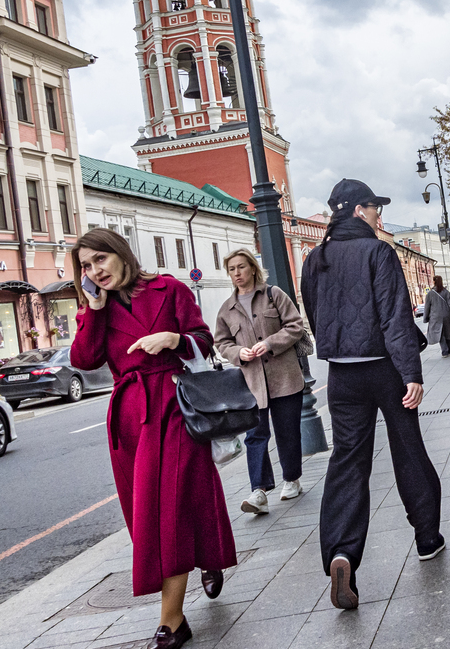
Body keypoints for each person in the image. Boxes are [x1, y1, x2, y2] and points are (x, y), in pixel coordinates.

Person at [70, 228, 236, 649]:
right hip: (131, 418)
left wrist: (175, 339)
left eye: (100, 259)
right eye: (86, 266)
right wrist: (93, 308)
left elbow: (203, 339)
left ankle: (172, 621)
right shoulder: (96, 308)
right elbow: (84, 359)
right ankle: (204, 556)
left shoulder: (170, 288)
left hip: (177, 405)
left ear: (120, 253)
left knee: (170, 502)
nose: (95, 270)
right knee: (152, 507)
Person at [299, 179, 444, 611]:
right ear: (359, 211)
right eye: (375, 208)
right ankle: (427, 537)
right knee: (408, 449)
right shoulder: (379, 252)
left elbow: (314, 312)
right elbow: (394, 316)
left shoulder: (314, 259)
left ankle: (341, 552)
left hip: (341, 376)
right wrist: (411, 373)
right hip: (384, 369)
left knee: (347, 461)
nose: (380, 216)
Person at [214, 249, 312, 516]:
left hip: (284, 378)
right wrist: (238, 353)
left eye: (241, 267)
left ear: (252, 269)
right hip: (251, 383)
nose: (237, 273)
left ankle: (291, 479)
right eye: (232, 269)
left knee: (287, 432)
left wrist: (269, 343)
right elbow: (222, 343)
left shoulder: (274, 294)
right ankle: (259, 491)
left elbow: (295, 325)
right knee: (255, 436)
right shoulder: (227, 309)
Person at [424, 275, 450, 356]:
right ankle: (449, 347)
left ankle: (445, 351)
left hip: (435, 316)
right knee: (447, 332)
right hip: (446, 315)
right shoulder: (446, 292)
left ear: (434, 282)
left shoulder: (430, 294)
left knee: (440, 333)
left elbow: (427, 307)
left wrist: (426, 318)